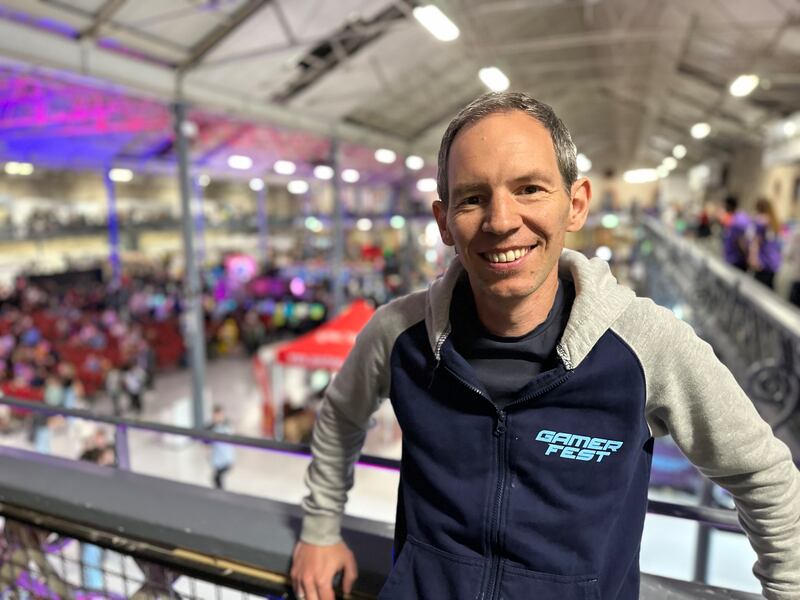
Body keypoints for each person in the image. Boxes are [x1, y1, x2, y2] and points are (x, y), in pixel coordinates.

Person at [290, 92, 800, 600]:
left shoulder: (645, 346)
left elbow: (764, 476)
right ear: (444, 221)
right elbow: (339, 417)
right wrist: (319, 529)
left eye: (529, 189)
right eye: (472, 197)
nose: (501, 221)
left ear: (575, 204)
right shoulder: (399, 334)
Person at [748, 197, 782, 289]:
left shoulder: (760, 221)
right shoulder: (774, 221)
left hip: (763, 262)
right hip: (773, 262)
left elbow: (755, 241)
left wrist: (753, 258)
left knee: (758, 289)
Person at [206, 405, 235, 490]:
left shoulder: (227, 426)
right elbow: (205, 442)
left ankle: (221, 493)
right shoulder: (210, 427)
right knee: (216, 478)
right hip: (216, 459)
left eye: (219, 415)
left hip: (226, 459)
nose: (217, 417)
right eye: (215, 415)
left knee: (216, 478)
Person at [720, 194, 751, 271]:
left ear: (729, 205)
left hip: (736, 261)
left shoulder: (737, 221)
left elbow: (740, 241)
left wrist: (747, 258)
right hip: (732, 259)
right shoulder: (738, 217)